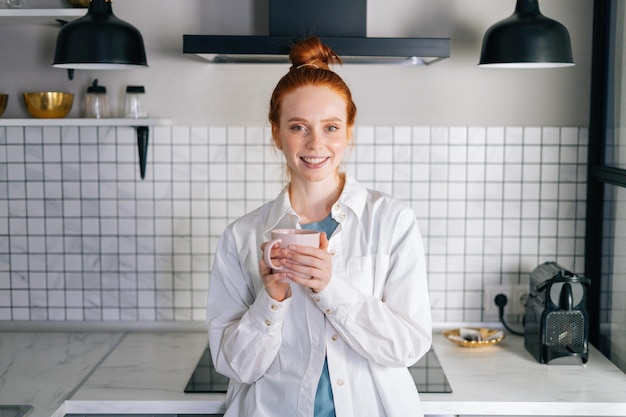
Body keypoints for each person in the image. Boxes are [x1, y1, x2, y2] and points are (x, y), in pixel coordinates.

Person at [206, 36, 432, 417]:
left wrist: (332, 288)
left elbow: (407, 346)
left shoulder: (392, 221)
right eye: (298, 127)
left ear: (349, 131)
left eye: (330, 127)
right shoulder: (242, 237)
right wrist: (272, 300)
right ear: (276, 133)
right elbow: (235, 366)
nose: (315, 144)